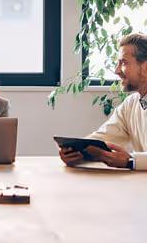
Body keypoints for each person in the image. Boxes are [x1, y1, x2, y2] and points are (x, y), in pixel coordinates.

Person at [59, 33, 147, 170]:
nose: (117, 71)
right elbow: (103, 138)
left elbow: (130, 160)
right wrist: (77, 151)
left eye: (123, 63)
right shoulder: (131, 104)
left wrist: (130, 161)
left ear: (145, 67)